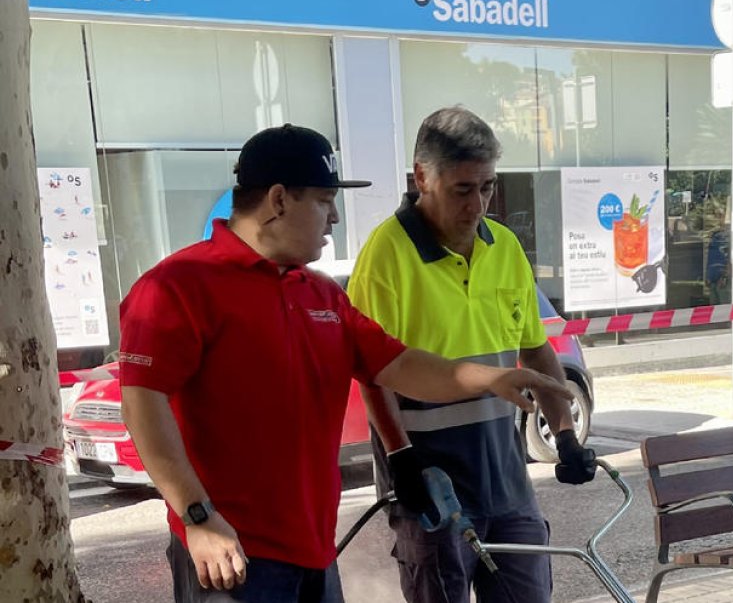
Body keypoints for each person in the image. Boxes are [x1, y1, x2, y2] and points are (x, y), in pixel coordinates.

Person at [118, 124, 570, 603]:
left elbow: (399, 365)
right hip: (231, 553)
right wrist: (198, 517)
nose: (334, 217)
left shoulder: (322, 294)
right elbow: (143, 404)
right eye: (324, 200)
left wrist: (492, 378)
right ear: (278, 200)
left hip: (314, 551)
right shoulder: (178, 286)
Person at [349, 106, 596, 603]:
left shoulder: (504, 246)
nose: (478, 204)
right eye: (463, 189)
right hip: (430, 482)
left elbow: (537, 351)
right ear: (422, 177)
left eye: (487, 187)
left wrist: (565, 434)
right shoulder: (386, 255)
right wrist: (400, 460)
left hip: (505, 477)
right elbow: (373, 374)